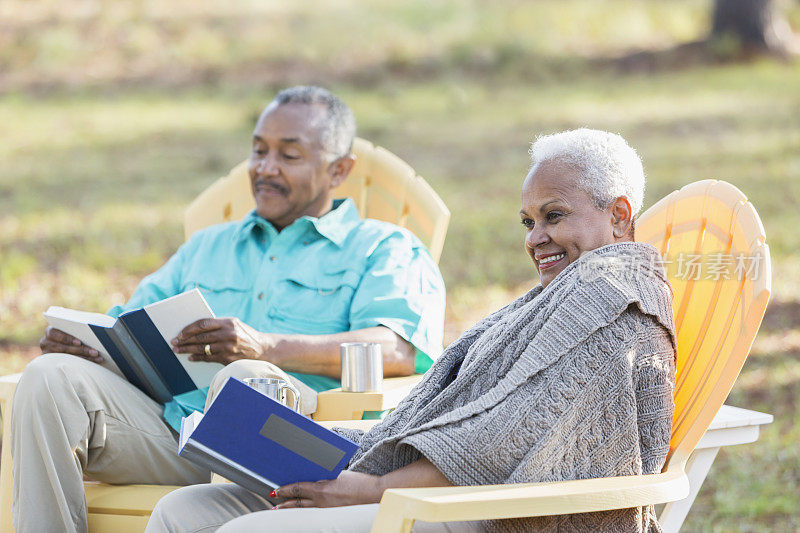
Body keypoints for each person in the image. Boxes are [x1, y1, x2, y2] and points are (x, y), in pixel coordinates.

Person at [146, 128, 677, 532]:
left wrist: (372, 488)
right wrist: (337, 451)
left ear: (620, 215)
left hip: (476, 512)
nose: (536, 237)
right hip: (411, 487)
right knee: (186, 510)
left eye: (554, 216)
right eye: (528, 221)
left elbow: (504, 442)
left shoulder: (612, 302)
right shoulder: (561, 296)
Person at [11, 86, 446, 533]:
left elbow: (398, 348)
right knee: (50, 378)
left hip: (298, 442)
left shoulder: (384, 247)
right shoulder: (209, 247)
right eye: (258, 151)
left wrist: (264, 348)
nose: (265, 168)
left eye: (288, 155)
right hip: (176, 436)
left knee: (240, 379)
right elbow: (127, 326)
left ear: (339, 169)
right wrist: (83, 344)